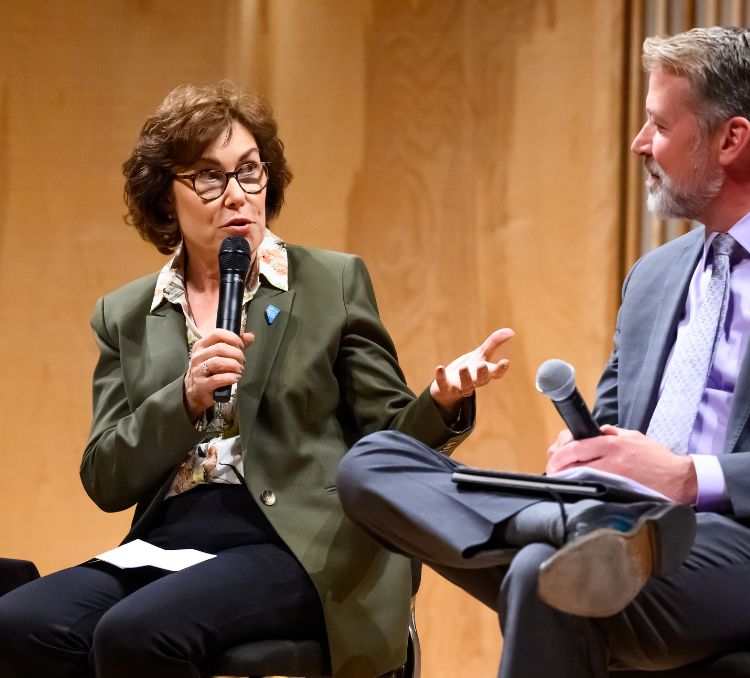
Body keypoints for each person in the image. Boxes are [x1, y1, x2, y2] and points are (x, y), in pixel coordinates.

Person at [335, 26, 750, 678]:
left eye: (659, 124)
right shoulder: (653, 278)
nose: (639, 143)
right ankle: (557, 523)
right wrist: (588, 461)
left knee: (542, 573)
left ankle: (557, 531)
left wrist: (689, 479)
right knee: (373, 464)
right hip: (621, 526)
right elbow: (615, 432)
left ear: (731, 139)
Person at [0, 81, 513, 678]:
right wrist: (185, 399)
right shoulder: (127, 313)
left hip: (300, 538)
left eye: (249, 171)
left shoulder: (330, 283)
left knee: (136, 633)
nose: (237, 195)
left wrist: (443, 400)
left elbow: (390, 440)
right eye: (209, 178)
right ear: (166, 199)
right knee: (19, 624)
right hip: (171, 540)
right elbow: (105, 477)